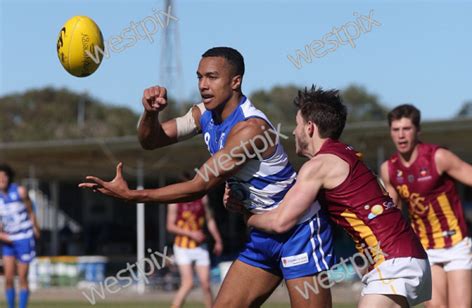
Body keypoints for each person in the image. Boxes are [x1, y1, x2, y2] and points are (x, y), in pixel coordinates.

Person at [79, 47, 335, 307]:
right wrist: (150, 113)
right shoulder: (203, 116)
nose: (203, 85)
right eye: (199, 77)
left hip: (299, 230)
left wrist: (133, 196)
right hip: (263, 232)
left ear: (236, 81)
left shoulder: (250, 130)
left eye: (212, 77)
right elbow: (152, 140)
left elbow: (198, 186)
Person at [231, 86, 431, 308]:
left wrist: (246, 214)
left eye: (297, 125)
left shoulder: (319, 165)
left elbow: (281, 221)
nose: (295, 132)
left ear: (309, 128)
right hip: (401, 257)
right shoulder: (345, 154)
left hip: (394, 261)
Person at [379, 104, 472, 308]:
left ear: (418, 130)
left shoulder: (438, 157)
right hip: (425, 247)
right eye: (396, 130)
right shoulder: (388, 169)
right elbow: (392, 212)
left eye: (407, 129)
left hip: (456, 244)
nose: (401, 135)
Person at [167, 177, 223, 308]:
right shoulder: (175, 202)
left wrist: (218, 239)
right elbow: (170, 226)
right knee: (188, 283)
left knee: (206, 285)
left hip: (200, 247)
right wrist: (191, 234)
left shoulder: (202, 198)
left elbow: (210, 220)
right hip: (182, 247)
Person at [0, 163, 40, 308]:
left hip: (24, 237)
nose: (2, 179)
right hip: (8, 240)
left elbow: (31, 210)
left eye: (4, 176)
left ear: (9, 177)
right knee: (9, 278)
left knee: (22, 277)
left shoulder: (20, 191)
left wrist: (36, 227)